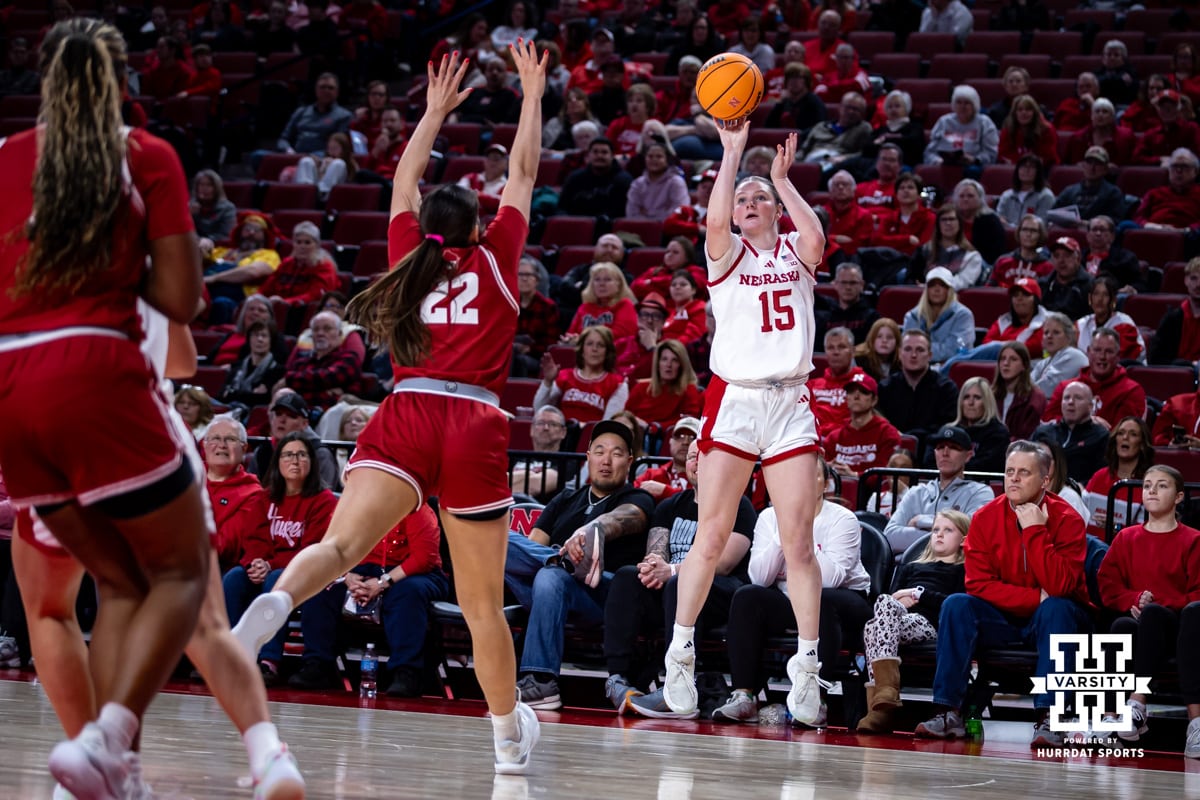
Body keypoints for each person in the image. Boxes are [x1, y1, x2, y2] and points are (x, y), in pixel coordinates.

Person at [232, 45, 550, 776]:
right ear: (478, 226)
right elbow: (525, 172)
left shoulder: (408, 256)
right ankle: (507, 744)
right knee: (478, 606)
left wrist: (434, 111)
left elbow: (404, 179)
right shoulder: (499, 254)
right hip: (472, 422)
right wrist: (532, 94)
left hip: (405, 411)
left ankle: (278, 606)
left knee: (341, 550)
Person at [0, 18, 214, 795]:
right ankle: (110, 737)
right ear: (123, 80)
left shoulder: (6, 159)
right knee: (181, 571)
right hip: (96, 370)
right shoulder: (145, 155)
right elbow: (182, 300)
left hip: (11, 389)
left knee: (115, 582)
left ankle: (103, 763)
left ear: (44, 80)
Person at [660, 122, 830, 725]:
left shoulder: (796, 253)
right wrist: (732, 154)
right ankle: (678, 651)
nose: (749, 204)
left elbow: (816, 233)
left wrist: (781, 181)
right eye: (742, 199)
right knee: (711, 535)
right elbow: (712, 223)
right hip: (733, 400)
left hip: (789, 402)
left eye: (759, 198)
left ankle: (808, 670)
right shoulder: (725, 254)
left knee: (798, 544)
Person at [915, 441, 1090, 746]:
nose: (1014, 479)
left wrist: (1035, 530)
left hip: (1056, 619)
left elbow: (1061, 586)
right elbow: (978, 584)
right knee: (957, 604)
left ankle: (1050, 717)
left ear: (1045, 481)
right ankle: (947, 710)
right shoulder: (984, 518)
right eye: (1010, 471)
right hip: (1004, 617)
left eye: (1024, 472)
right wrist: (1034, 597)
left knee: (1058, 607)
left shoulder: (1068, 519)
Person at [707, 455, 871, 725]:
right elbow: (759, 577)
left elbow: (830, 578)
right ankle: (744, 696)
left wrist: (800, 531)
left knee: (820, 598)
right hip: (789, 596)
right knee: (748, 596)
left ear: (825, 484)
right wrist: (783, 531)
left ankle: (814, 700)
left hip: (845, 599)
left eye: (811, 474)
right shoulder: (769, 518)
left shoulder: (843, 519)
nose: (801, 481)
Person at [503, 420, 654, 709]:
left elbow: (625, 518)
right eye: (599, 451)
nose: (606, 460)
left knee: (551, 578)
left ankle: (541, 681)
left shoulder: (637, 498)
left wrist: (589, 530)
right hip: (546, 587)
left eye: (617, 453)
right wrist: (558, 557)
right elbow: (532, 545)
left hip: (602, 594)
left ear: (630, 462)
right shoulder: (566, 498)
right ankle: (560, 562)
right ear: (588, 457)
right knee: (497, 540)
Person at [610, 438, 756, 714]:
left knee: (681, 583)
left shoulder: (739, 505)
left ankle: (678, 686)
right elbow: (655, 552)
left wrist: (674, 570)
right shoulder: (670, 506)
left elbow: (724, 563)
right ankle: (618, 679)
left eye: (704, 456)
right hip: (672, 588)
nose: (697, 462)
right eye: (691, 456)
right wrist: (652, 565)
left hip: (721, 592)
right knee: (627, 577)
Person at [287, 503, 449, 696]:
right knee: (320, 589)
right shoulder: (350, 507)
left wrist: (382, 582)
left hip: (412, 572)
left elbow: (424, 557)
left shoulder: (417, 509)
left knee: (408, 592)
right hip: (360, 569)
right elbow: (331, 547)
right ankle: (318, 664)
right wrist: (347, 576)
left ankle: (407, 672)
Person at [1097, 464, 1200, 758]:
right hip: (1140, 623)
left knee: (1156, 615)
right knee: (1120, 627)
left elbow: (1197, 593)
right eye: (1147, 485)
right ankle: (1110, 718)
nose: (1152, 490)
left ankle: (1141, 705)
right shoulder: (1126, 538)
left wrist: (1156, 602)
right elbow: (1107, 584)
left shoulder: (1193, 540)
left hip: (1182, 626)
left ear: (1179, 497)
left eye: (1162, 485)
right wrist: (1134, 598)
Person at [223, 430, 335, 685]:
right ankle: (232, 657)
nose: (294, 461)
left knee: (275, 580)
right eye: (288, 455)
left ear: (312, 462)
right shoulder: (264, 498)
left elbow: (313, 550)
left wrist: (270, 565)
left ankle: (268, 661)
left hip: (302, 573)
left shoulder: (324, 501)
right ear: (278, 462)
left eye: (301, 455)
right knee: (234, 579)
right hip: (267, 566)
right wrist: (255, 562)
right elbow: (253, 539)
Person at [857, 510, 968, 735]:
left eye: (948, 530)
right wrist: (901, 597)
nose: (938, 535)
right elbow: (891, 598)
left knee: (875, 626)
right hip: (900, 620)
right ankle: (882, 700)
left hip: (931, 624)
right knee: (877, 617)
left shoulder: (962, 569)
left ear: (964, 539)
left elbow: (956, 605)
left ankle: (881, 707)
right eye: (936, 529)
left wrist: (919, 594)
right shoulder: (911, 566)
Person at [883, 425, 994, 556]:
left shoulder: (980, 493)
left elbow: (974, 534)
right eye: (940, 447)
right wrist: (948, 533)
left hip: (954, 570)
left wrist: (920, 521)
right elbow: (890, 537)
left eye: (953, 447)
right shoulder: (916, 492)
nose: (945, 453)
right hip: (911, 568)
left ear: (968, 455)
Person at [1042, 328, 1146, 428]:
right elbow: (1047, 422)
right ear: (1088, 352)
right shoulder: (1066, 388)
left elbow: (1124, 433)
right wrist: (1085, 423)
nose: (1102, 356)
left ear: (1118, 356)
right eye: (1097, 350)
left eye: (1109, 351)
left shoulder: (1131, 391)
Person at [877, 329, 960, 443]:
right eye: (908, 349)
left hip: (932, 450)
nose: (913, 355)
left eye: (920, 350)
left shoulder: (946, 389)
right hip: (891, 449)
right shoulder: (885, 388)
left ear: (930, 355)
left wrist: (910, 437)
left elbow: (947, 428)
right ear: (899, 354)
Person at [535, 325, 629, 423]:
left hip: (593, 436)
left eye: (600, 345)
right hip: (559, 434)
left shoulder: (618, 384)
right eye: (589, 344)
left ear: (608, 352)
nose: (594, 349)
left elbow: (607, 425)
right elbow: (539, 410)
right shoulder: (564, 376)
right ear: (582, 349)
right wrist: (548, 381)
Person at [1083, 416, 1153, 540]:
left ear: (1142, 444)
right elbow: (1081, 515)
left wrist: (1116, 528)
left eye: (1133, 434)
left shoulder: (1148, 485)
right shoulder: (1099, 477)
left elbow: (1147, 535)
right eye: (1121, 433)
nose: (1125, 437)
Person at [283, 310, 365, 409]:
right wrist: (323, 389)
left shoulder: (349, 358)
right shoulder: (300, 363)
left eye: (327, 329)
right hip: (299, 417)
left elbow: (328, 377)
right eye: (316, 329)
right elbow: (286, 388)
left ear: (339, 334)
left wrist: (296, 382)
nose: (320, 333)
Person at [823, 373, 901, 477]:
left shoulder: (887, 434)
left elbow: (886, 476)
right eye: (851, 391)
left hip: (872, 492)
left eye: (864, 392)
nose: (856, 396)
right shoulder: (833, 438)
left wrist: (854, 475)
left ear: (874, 400)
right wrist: (827, 469)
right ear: (846, 398)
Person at [1032, 382, 1109, 484]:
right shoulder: (1043, 432)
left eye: (1078, 398)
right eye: (1066, 398)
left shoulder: (1100, 436)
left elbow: (1102, 476)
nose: (1071, 402)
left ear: (1090, 406)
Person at [624, 341, 703, 435]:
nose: (668, 365)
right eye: (664, 359)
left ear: (682, 365)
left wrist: (654, 427)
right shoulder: (641, 387)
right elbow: (626, 415)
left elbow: (688, 422)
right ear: (657, 364)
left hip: (665, 440)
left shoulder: (688, 390)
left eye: (675, 360)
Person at [901, 268, 976, 365]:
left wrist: (921, 350)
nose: (937, 289)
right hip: (918, 367)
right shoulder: (913, 316)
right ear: (926, 289)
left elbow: (955, 351)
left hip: (951, 369)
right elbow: (907, 349)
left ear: (949, 290)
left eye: (942, 285)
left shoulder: (963, 315)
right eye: (932, 285)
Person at [924, 85, 999, 173]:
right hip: (944, 166)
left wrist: (975, 159)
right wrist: (938, 161)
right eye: (959, 102)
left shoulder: (984, 122)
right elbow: (930, 152)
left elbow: (991, 153)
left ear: (974, 105)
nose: (962, 106)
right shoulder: (944, 121)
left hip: (973, 167)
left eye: (967, 103)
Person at [1049, 146, 1128, 228]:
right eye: (1089, 162)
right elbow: (1052, 215)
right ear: (1083, 165)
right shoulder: (1069, 191)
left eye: (1097, 163)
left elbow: (1116, 222)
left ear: (1105, 169)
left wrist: (1088, 224)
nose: (1092, 168)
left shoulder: (1113, 193)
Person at [808, 326, 867, 434]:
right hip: (813, 442)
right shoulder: (812, 385)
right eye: (830, 348)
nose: (836, 352)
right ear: (825, 352)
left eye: (841, 347)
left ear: (853, 351)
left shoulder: (864, 385)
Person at [909, 211, 984, 292]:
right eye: (944, 219)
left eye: (952, 219)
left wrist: (930, 287)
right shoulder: (924, 250)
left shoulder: (971, 255)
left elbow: (963, 282)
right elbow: (912, 280)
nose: (948, 223)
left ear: (960, 224)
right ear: (938, 225)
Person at [1077, 276, 1145, 364]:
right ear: (1090, 298)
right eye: (1096, 294)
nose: (1099, 299)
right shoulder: (1081, 324)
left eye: (1105, 295)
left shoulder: (1125, 325)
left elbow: (1117, 360)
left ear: (1113, 300)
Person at [510, 405, 571, 501]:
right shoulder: (515, 457)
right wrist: (529, 475)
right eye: (540, 423)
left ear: (563, 432)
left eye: (552, 424)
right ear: (531, 429)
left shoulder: (567, 462)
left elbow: (536, 486)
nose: (546, 428)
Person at [634, 415, 700, 501]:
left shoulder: (706, 478)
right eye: (680, 436)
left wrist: (666, 492)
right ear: (670, 441)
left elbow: (705, 500)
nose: (685, 442)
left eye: (692, 438)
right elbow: (632, 498)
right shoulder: (650, 475)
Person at [1149, 256, 1200, 366]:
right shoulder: (1172, 319)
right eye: (1193, 278)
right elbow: (1155, 359)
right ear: (1186, 280)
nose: (1198, 285)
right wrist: (1187, 365)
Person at [1133, 147, 1200, 229]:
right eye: (1175, 166)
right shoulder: (1154, 193)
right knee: (1126, 225)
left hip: (1189, 237)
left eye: (1184, 166)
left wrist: (1185, 231)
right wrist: (1158, 228)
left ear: (1195, 172)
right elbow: (1138, 218)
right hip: (1153, 233)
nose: (1179, 171)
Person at [871, 173, 935, 257]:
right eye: (902, 188)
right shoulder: (889, 218)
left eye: (910, 187)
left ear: (919, 194)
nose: (906, 191)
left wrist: (893, 243)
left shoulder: (929, 217)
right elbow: (877, 241)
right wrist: (907, 239)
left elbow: (922, 247)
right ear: (896, 195)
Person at [992, 341, 1046, 441]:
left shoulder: (1035, 398)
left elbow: (1026, 438)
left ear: (1024, 366)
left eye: (1013, 359)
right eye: (1003, 359)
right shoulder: (991, 395)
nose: (1006, 363)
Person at [814, 263, 879, 346]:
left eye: (853, 283)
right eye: (843, 282)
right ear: (835, 284)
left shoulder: (872, 317)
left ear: (862, 285)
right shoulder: (823, 318)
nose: (848, 287)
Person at [1081, 216, 1144, 297]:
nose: (1098, 233)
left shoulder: (1126, 258)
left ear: (1112, 236)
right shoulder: (1078, 257)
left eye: (1102, 230)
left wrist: (1131, 289)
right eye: (1094, 229)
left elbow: (1139, 284)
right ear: (1087, 235)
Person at [1030, 311, 1088, 398]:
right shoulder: (1043, 363)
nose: (1049, 336)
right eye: (1046, 333)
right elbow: (1026, 385)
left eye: (1056, 332)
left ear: (1068, 337)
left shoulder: (1074, 355)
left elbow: (1048, 388)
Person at [1064, 98, 1135, 167]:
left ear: (1113, 117)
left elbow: (1133, 164)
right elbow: (1066, 164)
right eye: (1097, 111)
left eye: (1105, 112)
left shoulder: (1126, 137)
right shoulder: (1077, 137)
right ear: (1091, 116)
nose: (1100, 115)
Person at [1038, 237, 1092, 322]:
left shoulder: (1090, 286)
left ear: (1078, 258)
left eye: (1067, 255)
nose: (1061, 260)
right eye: (1056, 256)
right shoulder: (1043, 284)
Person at [995, 155, 1055, 229]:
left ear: (1038, 172)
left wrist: (1009, 226)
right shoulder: (1007, 195)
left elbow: (1041, 225)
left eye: (1031, 167)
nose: (1026, 170)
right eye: (1023, 166)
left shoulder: (1045, 196)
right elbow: (998, 220)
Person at [998, 97, 1058, 168]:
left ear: (1035, 112)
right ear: (1014, 113)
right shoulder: (1007, 130)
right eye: (1020, 110)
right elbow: (1003, 155)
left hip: (1043, 170)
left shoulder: (1047, 130)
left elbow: (1048, 157)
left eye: (1028, 109)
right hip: (1013, 169)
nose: (1024, 113)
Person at [190, 169, 237, 241]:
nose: (204, 188)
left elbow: (226, 235)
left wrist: (205, 240)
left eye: (209, 185)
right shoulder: (190, 206)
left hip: (217, 246)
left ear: (217, 189)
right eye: (201, 185)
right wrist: (189, 215)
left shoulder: (228, 208)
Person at [855, 317, 901, 384]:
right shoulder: (859, 361)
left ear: (897, 342)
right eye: (879, 336)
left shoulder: (901, 363)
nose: (884, 341)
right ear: (872, 339)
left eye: (889, 337)